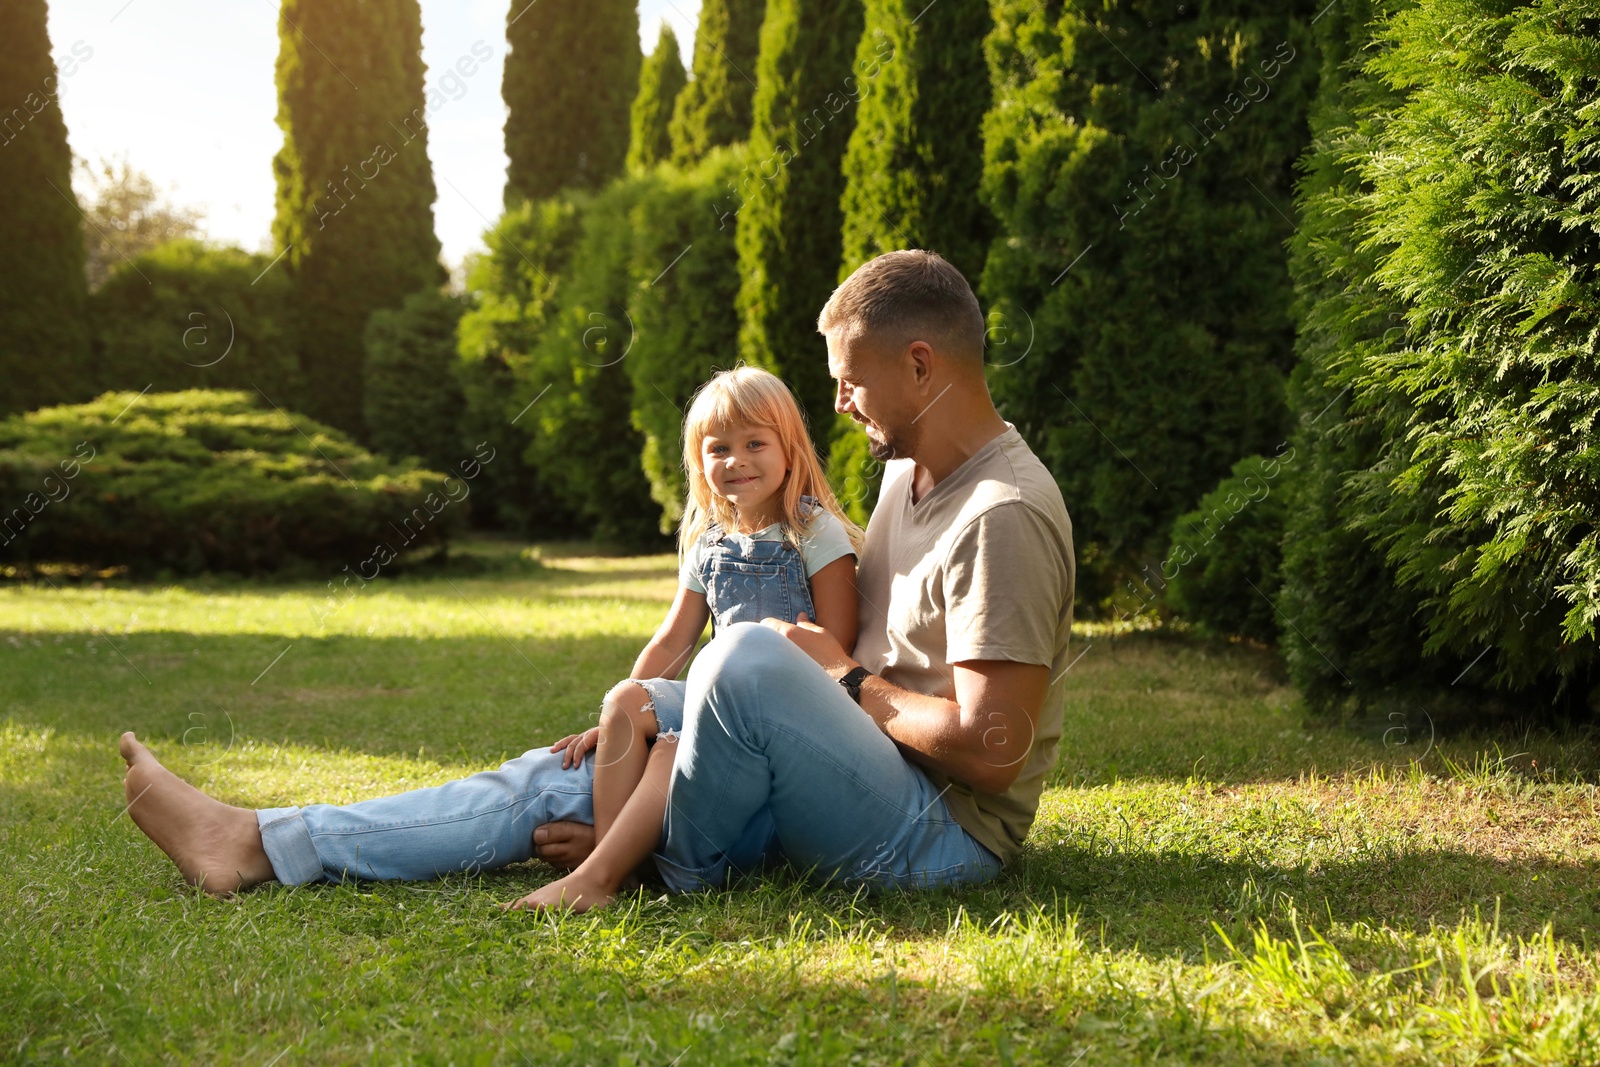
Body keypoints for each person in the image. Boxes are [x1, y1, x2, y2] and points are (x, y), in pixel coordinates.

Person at [117, 248, 1075, 899]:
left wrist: (843, 679)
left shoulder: (1006, 514)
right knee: (577, 762)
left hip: (937, 836)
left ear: (921, 364)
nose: (838, 401)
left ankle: (643, 858)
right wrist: (685, 699)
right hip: (845, 761)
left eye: (850, 380)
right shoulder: (908, 477)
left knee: (741, 655)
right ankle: (264, 842)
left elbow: (992, 747)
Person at [507, 367, 861, 912]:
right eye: (718, 448)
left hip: (793, 706)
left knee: (672, 750)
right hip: (711, 696)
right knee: (626, 698)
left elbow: (837, 641)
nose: (736, 460)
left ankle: (601, 871)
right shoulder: (709, 545)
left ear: (789, 449)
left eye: (755, 443)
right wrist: (614, 716)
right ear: (700, 463)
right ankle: (608, 860)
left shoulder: (814, 532)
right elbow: (674, 639)